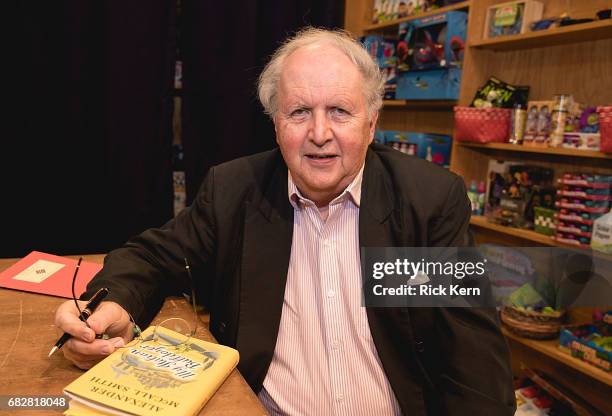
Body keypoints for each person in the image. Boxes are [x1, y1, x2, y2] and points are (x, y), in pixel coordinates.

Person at [54, 27, 515, 415]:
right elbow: (151, 257)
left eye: (339, 111)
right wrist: (108, 308)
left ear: (371, 124)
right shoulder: (235, 190)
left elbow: (472, 355)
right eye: (299, 112)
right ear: (276, 124)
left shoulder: (428, 201)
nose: (319, 134)